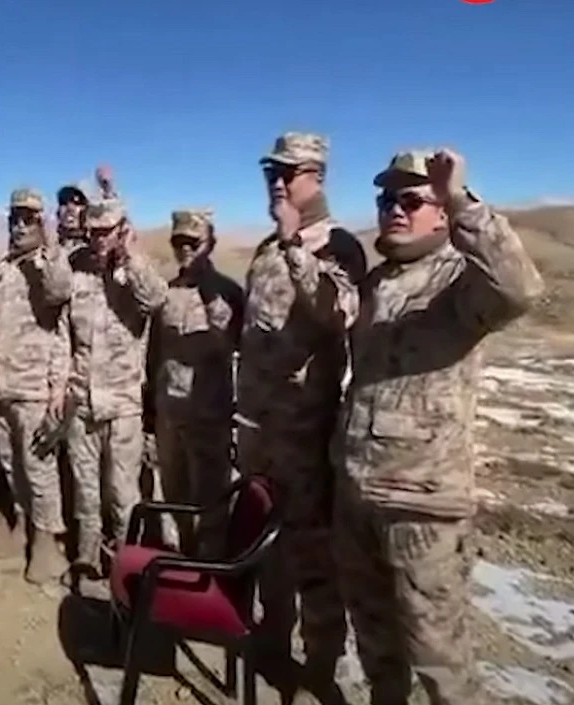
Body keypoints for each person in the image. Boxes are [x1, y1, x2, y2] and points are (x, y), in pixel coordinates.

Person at [334, 149, 543, 705]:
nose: (394, 211)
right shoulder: (377, 283)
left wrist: (462, 201)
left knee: (441, 664)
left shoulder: (460, 279)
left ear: (442, 213)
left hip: (422, 507)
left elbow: (520, 291)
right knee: (378, 652)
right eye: (386, 200)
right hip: (358, 496)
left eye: (412, 200)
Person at [236, 132, 365, 700]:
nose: (279, 182)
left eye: (291, 172)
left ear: (319, 177)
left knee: (312, 556)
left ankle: (321, 667)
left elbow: (335, 312)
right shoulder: (267, 249)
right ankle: (271, 636)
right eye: (272, 172)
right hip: (259, 432)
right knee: (265, 545)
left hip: (305, 437)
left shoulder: (339, 246)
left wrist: (296, 248)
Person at [66, 198, 167, 596]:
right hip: (82, 400)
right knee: (85, 489)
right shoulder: (78, 269)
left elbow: (156, 300)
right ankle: (88, 559)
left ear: (121, 230)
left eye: (106, 232)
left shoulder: (135, 270)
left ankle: (126, 569)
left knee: (123, 494)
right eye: (92, 232)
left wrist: (128, 257)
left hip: (123, 403)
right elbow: (64, 327)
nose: (97, 240)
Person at [0, 188, 73, 583]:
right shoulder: (4, 267)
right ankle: (22, 522)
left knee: (39, 469)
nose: (20, 226)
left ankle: (47, 540)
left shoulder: (51, 264)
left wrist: (50, 248)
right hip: (2, 383)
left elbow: (59, 292)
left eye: (29, 219)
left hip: (36, 385)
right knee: (11, 464)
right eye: (15, 219)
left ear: (43, 223)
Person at [147, 209, 243, 555]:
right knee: (175, 494)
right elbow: (155, 351)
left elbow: (236, 347)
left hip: (208, 416)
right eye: (179, 242)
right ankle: (185, 561)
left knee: (212, 500)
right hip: (169, 413)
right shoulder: (167, 294)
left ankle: (213, 571)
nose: (186, 249)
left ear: (210, 244)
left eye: (194, 242)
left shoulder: (228, 294)